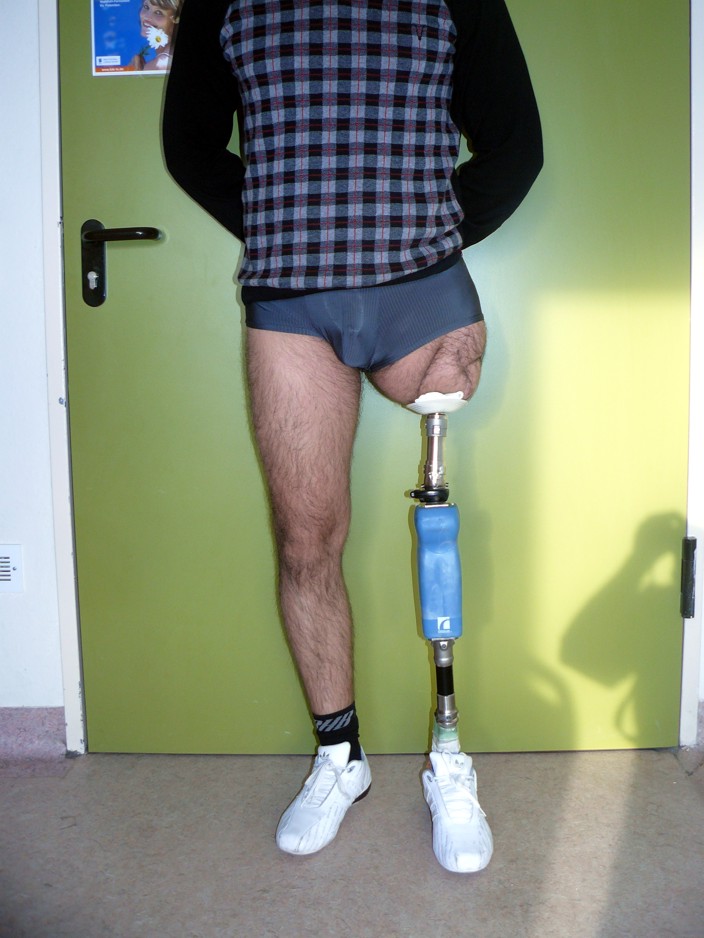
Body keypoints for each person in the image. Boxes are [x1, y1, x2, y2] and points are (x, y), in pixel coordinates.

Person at [162, 0, 542, 873]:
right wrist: (279, 221)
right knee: (306, 541)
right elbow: (191, 146)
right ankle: (341, 756)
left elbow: (515, 147)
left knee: (439, 512)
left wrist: (424, 230)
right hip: (290, 298)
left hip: (422, 289)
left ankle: (449, 755)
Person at [129, 0, 181, 72]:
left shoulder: (160, 65)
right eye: (146, 7)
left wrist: (133, 73)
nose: (146, 17)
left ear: (176, 19)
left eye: (158, 12)